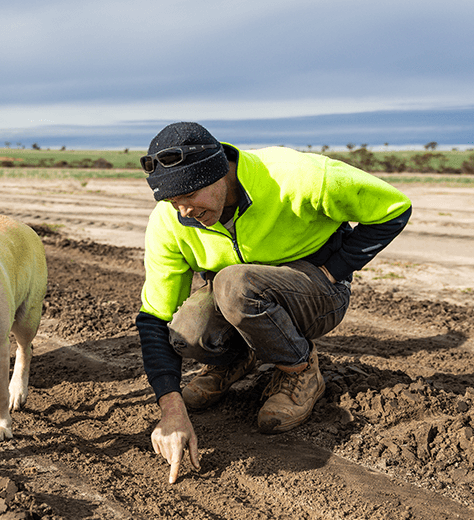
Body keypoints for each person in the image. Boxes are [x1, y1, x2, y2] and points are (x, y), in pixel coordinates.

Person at [135, 122, 412, 483]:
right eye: (172, 202)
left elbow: (394, 207)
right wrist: (171, 410)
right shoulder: (171, 223)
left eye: (190, 196)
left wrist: (336, 269)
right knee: (185, 330)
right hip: (243, 297)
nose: (183, 211)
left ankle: (300, 371)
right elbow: (154, 317)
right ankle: (236, 359)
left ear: (220, 172)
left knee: (235, 283)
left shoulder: (299, 176)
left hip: (318, 292)